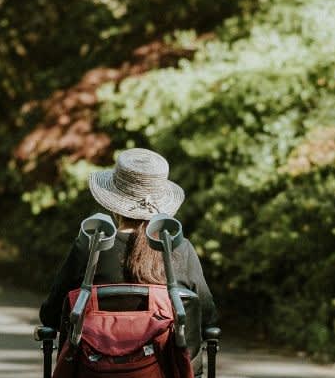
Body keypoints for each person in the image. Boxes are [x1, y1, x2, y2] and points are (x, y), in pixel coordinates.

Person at [38, 148, 217, 360]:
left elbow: (51, 315)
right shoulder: (180, 249)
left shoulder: (89, 247)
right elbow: (207, 318)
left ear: (114, 204)